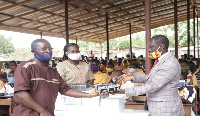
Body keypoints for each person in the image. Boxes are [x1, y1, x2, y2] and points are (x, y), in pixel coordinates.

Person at [13, 39, 98, 116]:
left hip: (47, 113)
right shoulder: (25, 68)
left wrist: (88, 95)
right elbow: (21, 93)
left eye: (50, 48)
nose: (48, 51)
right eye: (43, 49)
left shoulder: (53, 72)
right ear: (33, 51)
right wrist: (42, 111)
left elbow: (65, 89)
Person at [117, 35, 184, 116]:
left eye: (151, 47)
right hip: (157, 107)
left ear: (161, 47)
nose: (149, 50)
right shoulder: (161, 61)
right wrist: (133, 77)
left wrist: (126, 91)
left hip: (165, 109)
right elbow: (151, 78)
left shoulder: (170, 63)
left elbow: (153, 86)